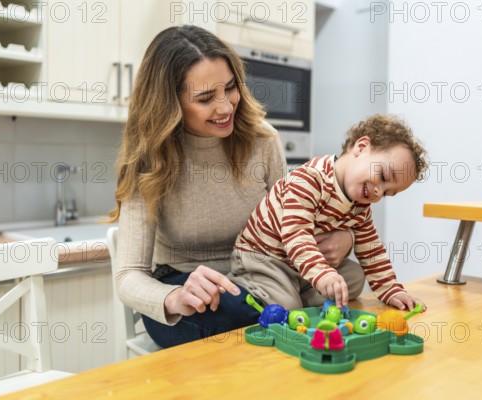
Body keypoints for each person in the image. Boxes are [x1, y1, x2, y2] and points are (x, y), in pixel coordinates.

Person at [107, 25, 358, 348]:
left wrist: (344, 237)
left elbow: (295, 218)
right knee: (224, 314)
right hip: (196, 291)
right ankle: (290, 317)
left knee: (348, 278)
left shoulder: (262, 140)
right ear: (170, 103)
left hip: (265, 272)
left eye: (230, 88)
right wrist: (174, 297)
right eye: (205, 98)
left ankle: (286, 320)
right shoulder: (149, 158)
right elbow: (128, 275)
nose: (226, 107)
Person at [230, 114, 429, 312]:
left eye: (387, 193)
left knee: (354, 278)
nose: (379, 192)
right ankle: (264, 288)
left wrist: (391, 290)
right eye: (383, 176)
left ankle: (296, 292)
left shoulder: (360, 207)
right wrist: (323, 274)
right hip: (265, 257)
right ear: (361, 147)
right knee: (286, 304)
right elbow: (296, 234)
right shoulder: (309, 180)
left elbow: (372, 252)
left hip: (299, 265)